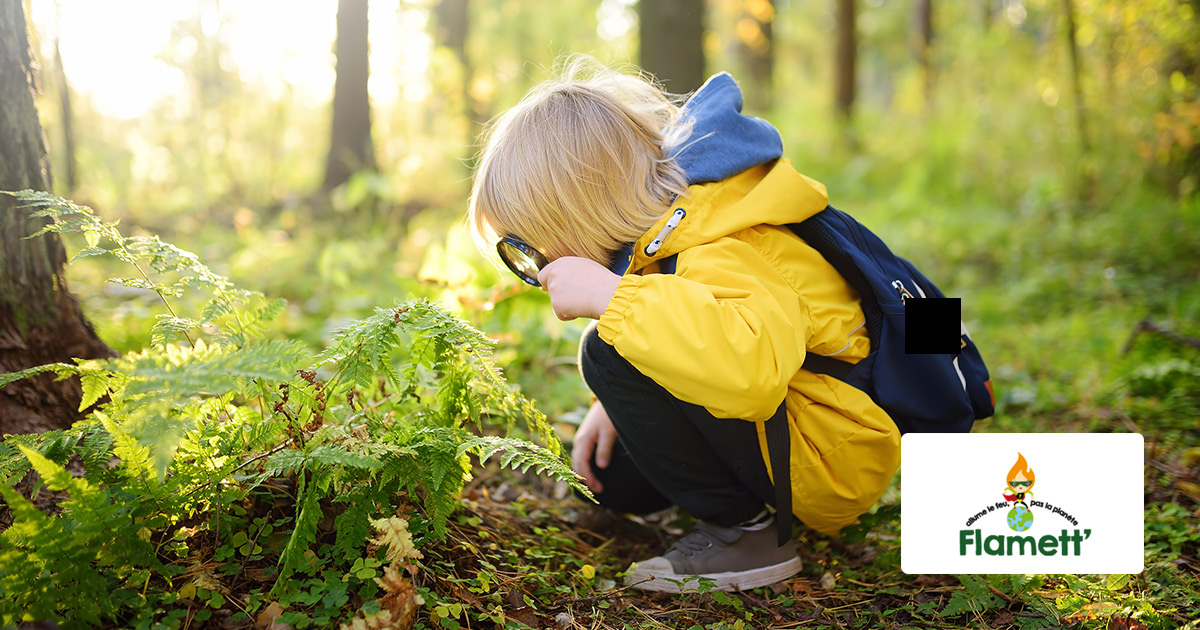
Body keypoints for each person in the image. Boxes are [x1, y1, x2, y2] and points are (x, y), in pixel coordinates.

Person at [468, 56, 900, 592]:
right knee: (616, 481)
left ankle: (749, 537)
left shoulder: (722, 241)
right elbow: (691, 322)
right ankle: (723, 507)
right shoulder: (669, 232)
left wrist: (613, 301)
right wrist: (616, 401)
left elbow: (752, 371)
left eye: (527, 247)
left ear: (577, 213)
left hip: (829, 452)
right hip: (798, 428)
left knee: (602, 349)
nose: (532, 267)